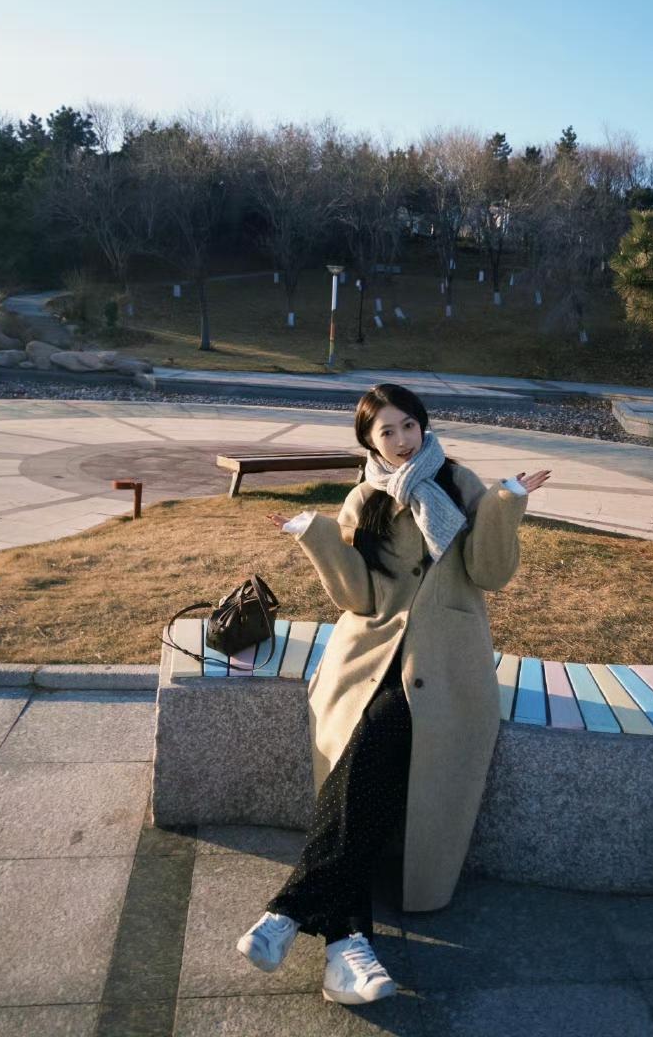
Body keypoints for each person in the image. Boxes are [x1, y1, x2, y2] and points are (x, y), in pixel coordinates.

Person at [235, 382, 551, 1005]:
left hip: (443, 660)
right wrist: (316, 535)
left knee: (373, 744)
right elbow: (358, 597)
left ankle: (290, 910)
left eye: (409, 425)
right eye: (387, 431)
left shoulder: (458, 483)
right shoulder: (364, 498)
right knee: (365, 751)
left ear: (423, 425)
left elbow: (490, 573)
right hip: (370, 654)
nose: (402, 439)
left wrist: (505, 504)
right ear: (369, 441)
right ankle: (344, 953)